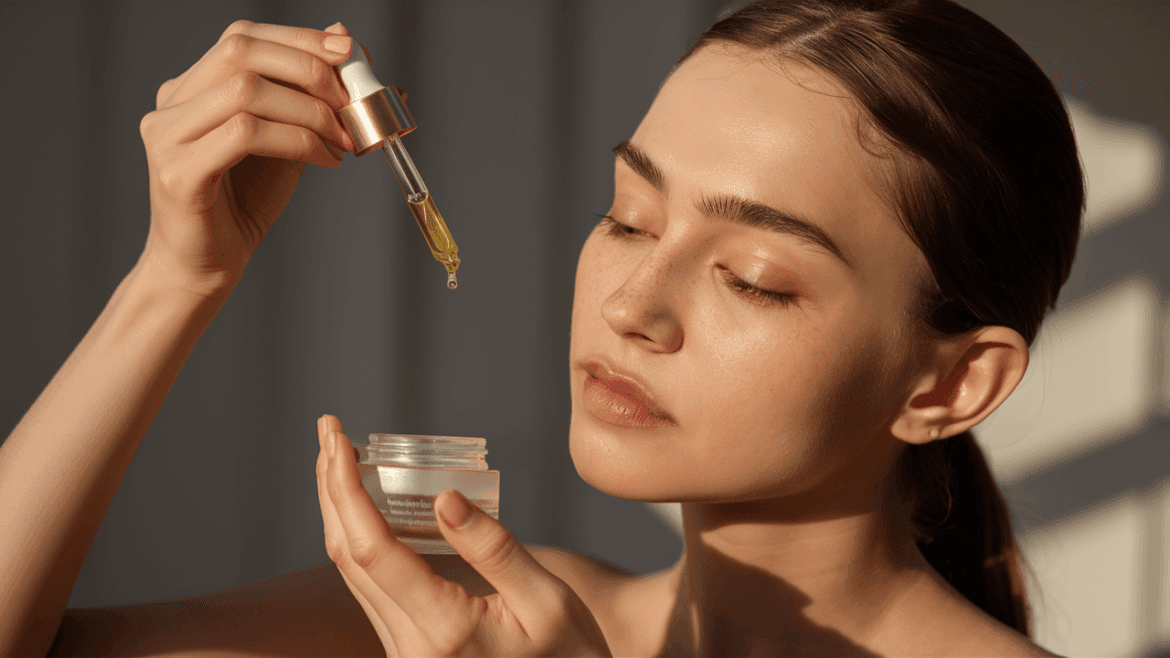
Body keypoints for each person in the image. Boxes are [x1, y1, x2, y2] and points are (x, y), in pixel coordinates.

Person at [0, 0, 1082, 655]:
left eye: (753, 277)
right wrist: (176, 278)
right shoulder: (474, 624)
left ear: (951, 385)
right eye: (626, 215)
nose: (629, 305)